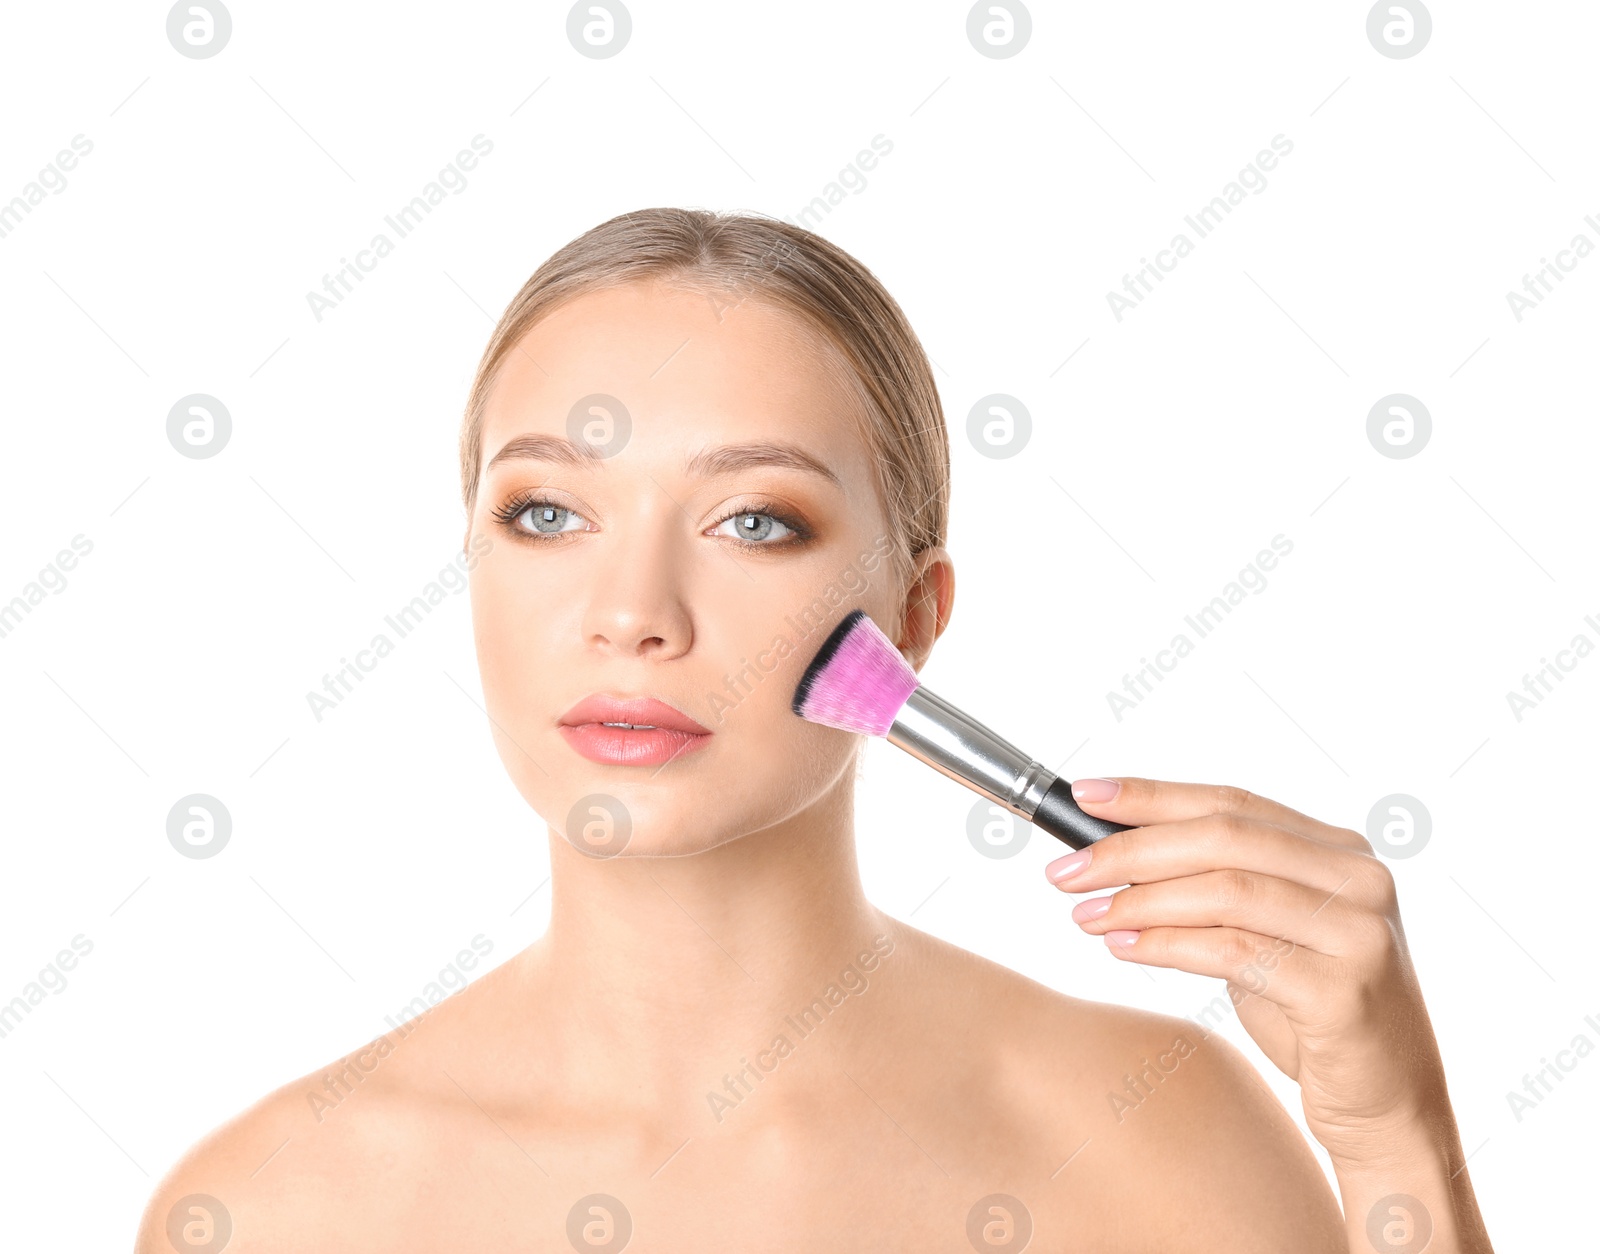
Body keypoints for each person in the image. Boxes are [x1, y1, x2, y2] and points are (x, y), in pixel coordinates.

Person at [136, 208, 1493, 1251]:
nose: (633, 612)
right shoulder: (273, 1204)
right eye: (546, 511)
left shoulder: (1147, 1135)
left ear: (909, 615)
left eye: (755, 521)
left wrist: (1395, 1146)